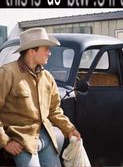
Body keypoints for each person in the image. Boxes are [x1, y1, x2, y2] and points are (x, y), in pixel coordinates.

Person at [0, 28, 81, 167]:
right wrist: (5, 141)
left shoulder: (47, 77)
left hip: (46, 137)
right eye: (46, 49)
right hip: (22, 140)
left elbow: (54, 110)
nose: (49, 53)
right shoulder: (7, 73)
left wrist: (69, 129)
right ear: (32, 51)